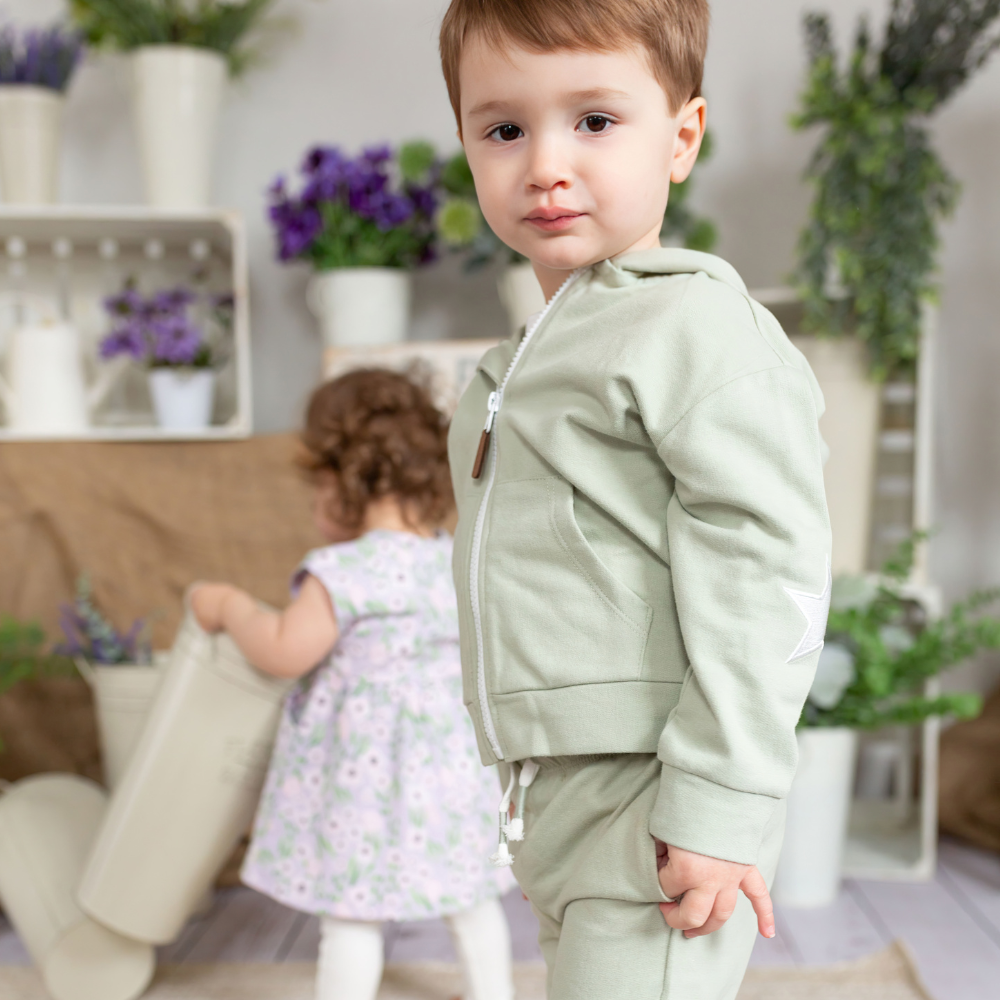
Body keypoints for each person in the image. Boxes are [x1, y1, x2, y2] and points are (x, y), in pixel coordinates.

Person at [439, 1, 832, 998]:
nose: (545, 163)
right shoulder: (512, 364)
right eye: (503, 129)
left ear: (681, 137)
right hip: (551, 790)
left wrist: (716, 801)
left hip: (657, 788)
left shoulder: (695, 326)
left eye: (595, 121)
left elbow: (766, 570)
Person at [191, 369, 515, 1000]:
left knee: (351, 915)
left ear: (342, 482)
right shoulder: (455, 560)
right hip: (452, 774)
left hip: (363, 784)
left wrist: (231, 606)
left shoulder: (343, 571)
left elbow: (285, 651)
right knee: (472, 901)